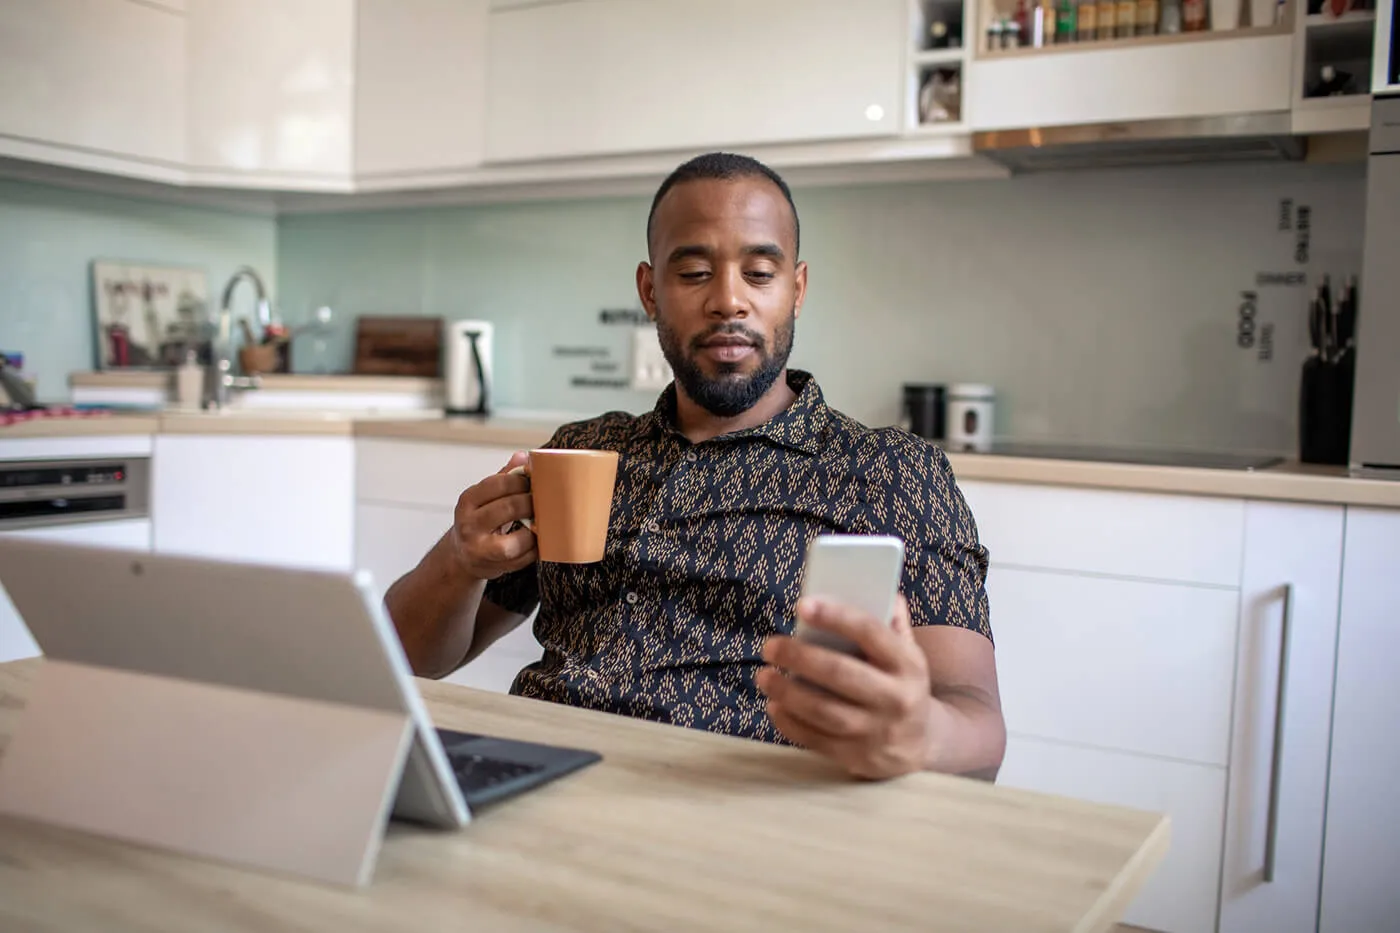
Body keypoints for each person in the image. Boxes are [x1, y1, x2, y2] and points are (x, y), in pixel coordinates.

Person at [385, 152, 1004, 781]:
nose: (728, 301)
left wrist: (917, 733)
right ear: (650, 292)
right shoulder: (582, 453)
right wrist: (458, 563)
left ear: (797, 288)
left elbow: (978, 726)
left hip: (743, 815)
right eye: (696, 273)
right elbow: (407, 658)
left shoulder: (894, 474)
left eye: (760, 273)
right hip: (540, 780)